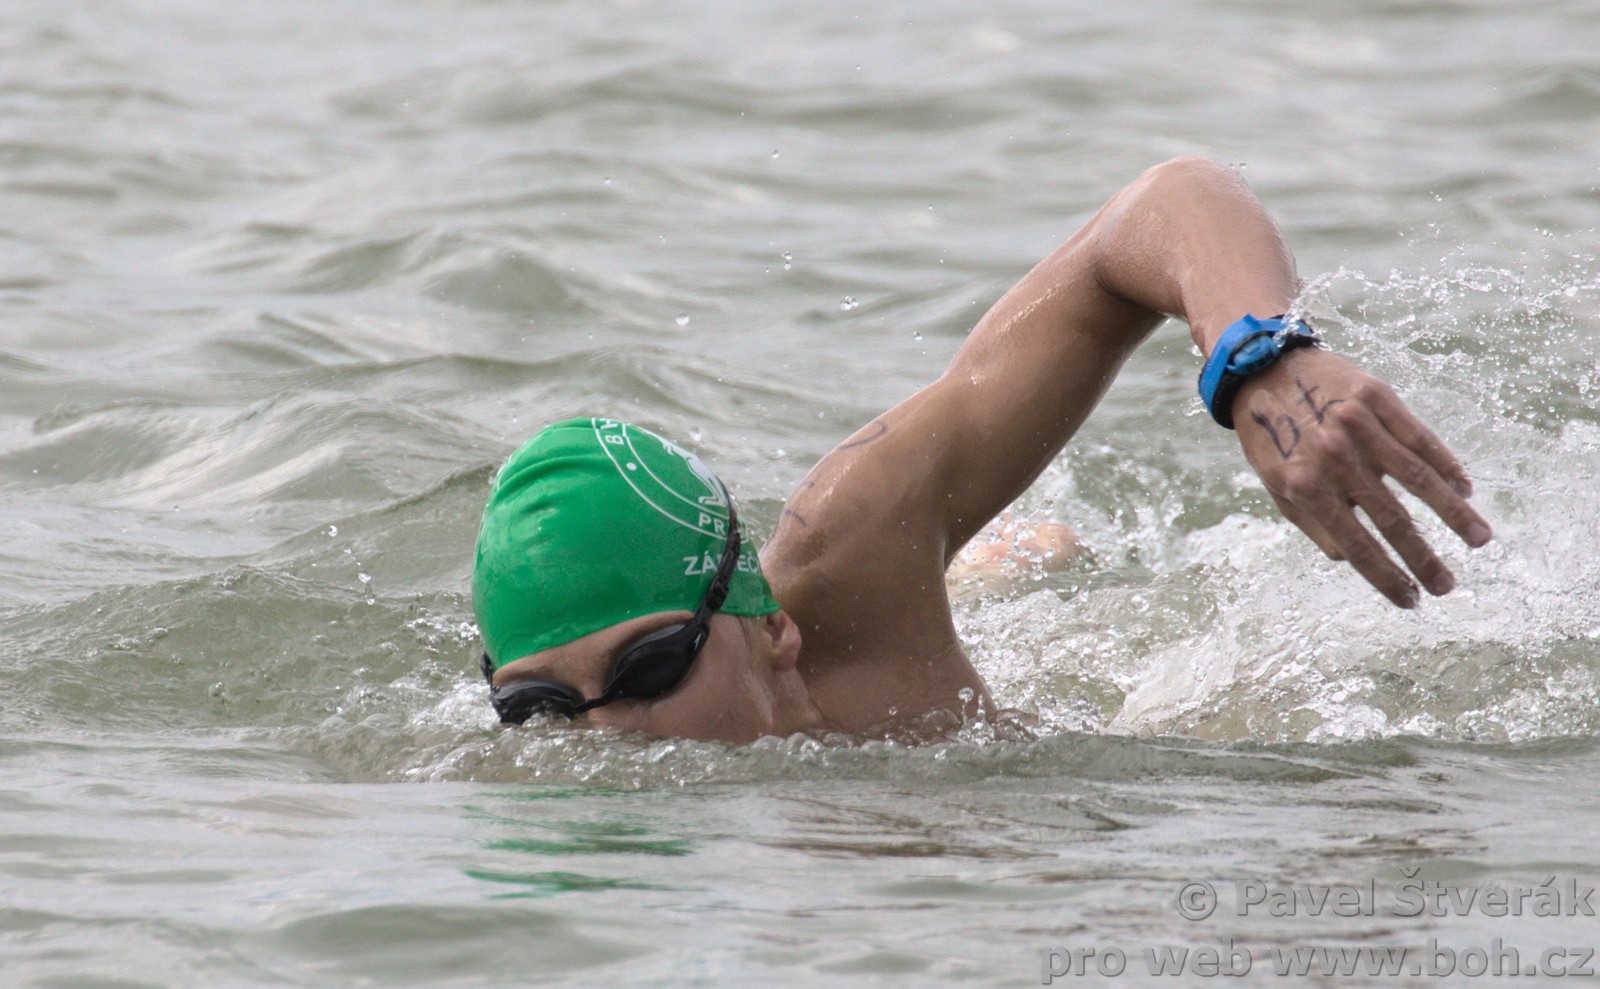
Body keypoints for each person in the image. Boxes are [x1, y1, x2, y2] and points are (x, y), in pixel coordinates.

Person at [471, 157, 1493, 743]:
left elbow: (1165, 202)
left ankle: (991, 569)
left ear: (769, 627)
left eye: (650, 667)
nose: (604, 733)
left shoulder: (847, 549)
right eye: (539, 707)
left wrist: (1258, 358)